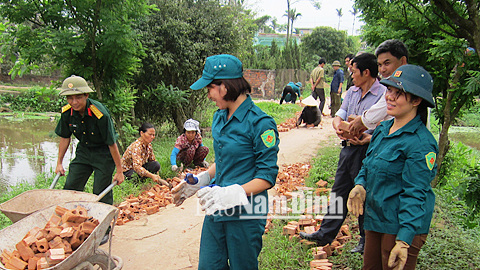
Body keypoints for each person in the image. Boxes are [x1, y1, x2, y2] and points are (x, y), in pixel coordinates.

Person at [172, 54, 279, 270]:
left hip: (247, 213)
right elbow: (224, 159)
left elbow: (267, 177)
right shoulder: (219, 117)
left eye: (210, 88)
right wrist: (203, 179)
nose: (209, 95)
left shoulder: (261, 124)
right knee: (209, 265)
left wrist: (234, 192)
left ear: (225, 86)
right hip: (218, 207)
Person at [347, 65, 438, 270]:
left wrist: (404, 240)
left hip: (401, 225)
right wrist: (360, 185)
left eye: (399, 93)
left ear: (416, 100)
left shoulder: (421, 144)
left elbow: (415, 194)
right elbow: (368, 165)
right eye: (389, 90)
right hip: (377, 217)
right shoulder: (383, 129)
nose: (390, 97)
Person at [299, 53, 386, 254]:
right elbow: (340, 115)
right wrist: (339, 126)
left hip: (368, 151)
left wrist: (368, 137)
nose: (351, 75)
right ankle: (324, 235)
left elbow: (386, 127)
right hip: (347, 149)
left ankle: (366, 240)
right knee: (339, 192)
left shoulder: (383, 95)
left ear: (366, 72)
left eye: (354, 71)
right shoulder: (352, 92)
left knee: (364, 194)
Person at [55, 75, 124, 206]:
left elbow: (111, 143)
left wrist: (119, 171)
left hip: (104, 153)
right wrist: (59, 163)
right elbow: (65, 137)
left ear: (86, 95)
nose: (74, 102)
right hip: (84, 152)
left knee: (100, 192)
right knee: (70, 187)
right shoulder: (67, 113)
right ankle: (70, 219)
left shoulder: (100, 114)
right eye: (70, 98)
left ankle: (104, 225)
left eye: (78, 97)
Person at [349, 40, 409, 135]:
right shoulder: (392, 85)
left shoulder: (407, 85)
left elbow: (378, 110)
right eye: (380, 65)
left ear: (402, 61)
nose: (382, 70)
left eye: (387, 63)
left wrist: (361, 121)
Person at [122, 123, 171, 187]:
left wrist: (157, 175)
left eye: (153, 135)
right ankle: (140, 181)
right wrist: (151, 175)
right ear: (142, 133)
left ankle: (147, 177)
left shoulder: (149, 145)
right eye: (150, 134)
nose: (152, 137)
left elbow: (152, 160)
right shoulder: (136, 146)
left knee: (156, 165)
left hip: (140, 167)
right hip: (129, 171)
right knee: (134, 176)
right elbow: (137, 167)